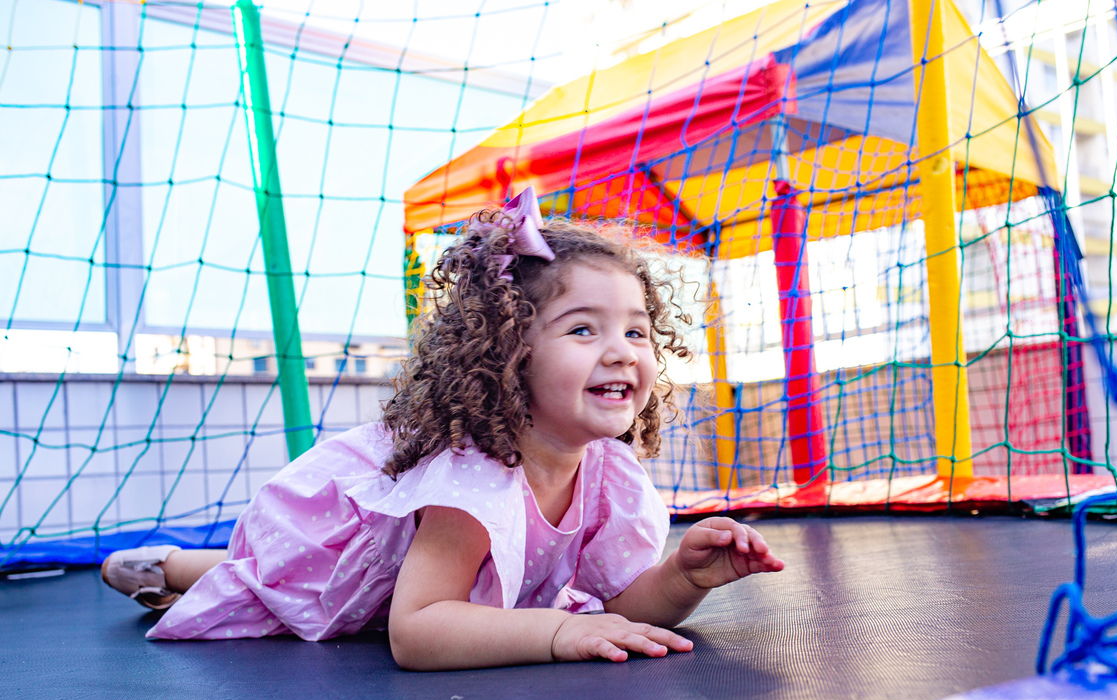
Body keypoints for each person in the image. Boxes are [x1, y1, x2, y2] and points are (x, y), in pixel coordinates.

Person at [101, 188, 785, 670]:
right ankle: (162, 566)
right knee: (270, 584)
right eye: (583, 329)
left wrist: (684, 577)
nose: (622, 350)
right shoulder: (476, 480)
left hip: (414, 575)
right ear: (509, 351)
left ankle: (171, 568)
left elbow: (619, 608)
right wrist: (552, 633)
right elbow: (419, 629)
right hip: (341, 559)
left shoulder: (610, 474)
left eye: (636, 330)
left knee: (277, 585)